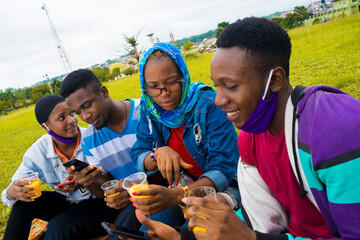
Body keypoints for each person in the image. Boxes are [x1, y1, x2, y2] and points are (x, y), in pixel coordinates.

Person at [134, 17, 360, 240]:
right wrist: (180, 237)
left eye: (231, 86)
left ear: (275, 80)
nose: (219, 99)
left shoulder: (334, 128)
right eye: (217, 86)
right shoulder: (250, 138)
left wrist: (250, 238)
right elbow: (259, 220)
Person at [129, 42, 240, 230]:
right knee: (150, 230)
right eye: (154, 86)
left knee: (194, 229)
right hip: (181, 187)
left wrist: (178, 195)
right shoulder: (149, 111)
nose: (164, 94)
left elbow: (222, 169)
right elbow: (138, 153)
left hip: (228, 186)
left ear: (183, 75)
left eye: (171, 82)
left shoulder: (209, 105)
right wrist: (157, 154)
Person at [1, 95, 120, 240]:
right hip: (68, 203)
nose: (72, 120)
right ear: (45, 126)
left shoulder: (93, 137)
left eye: (71, 113)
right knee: (23, 202)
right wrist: (13, 191)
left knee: (57, 227)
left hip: (100, 203)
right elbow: (11, 191)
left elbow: (114, 186)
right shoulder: (39, 149)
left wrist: (86, 181)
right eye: (62, 118)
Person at [59, 69, 142, 238]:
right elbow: (107, 185)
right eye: (77, 112)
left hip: (164, 194)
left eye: (87, 106)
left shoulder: (145, 112)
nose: (85, 116)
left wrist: (132, 189)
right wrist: (89, 181)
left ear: (104, 92)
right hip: (131, 205)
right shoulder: (89, 139)